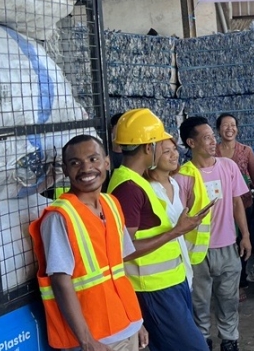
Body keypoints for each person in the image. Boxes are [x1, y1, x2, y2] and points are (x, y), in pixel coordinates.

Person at [29, 135, 148, 351]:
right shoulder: (60, 216)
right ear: (65, 170)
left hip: (126, 327)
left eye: (93, 159)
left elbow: (118, 271)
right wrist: (87, 340)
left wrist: (136, 322)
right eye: (75, 163)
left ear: (107, 162)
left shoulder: (111, 204)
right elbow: (60, 281)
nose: (86, 168)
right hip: (94, 340)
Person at [108, 108, 210, 351]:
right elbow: (122, 251)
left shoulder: (137, 181)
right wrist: (176, 231)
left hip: (169, 284)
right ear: (147, 147)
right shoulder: (129, 188)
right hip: (154, 290)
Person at [177, 116, 253, 351]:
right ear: (191, 142)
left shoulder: (228, 167)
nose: (213, 141)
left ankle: (229, 340)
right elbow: (179, 218)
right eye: (207, 137)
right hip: (197, 253)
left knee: (229, 300)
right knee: (199, 302)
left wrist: (246, 235)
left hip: (228, 246)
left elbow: (237, 202)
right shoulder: (183, 176)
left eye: (213, 136)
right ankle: (202, 340)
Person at [215, 113, 254, 302]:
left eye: (233, 125)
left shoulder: (246, 151)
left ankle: (240, 283)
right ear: (218, 129)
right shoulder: (212, 151)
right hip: (219, 208)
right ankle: (221, 282)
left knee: (242, 242)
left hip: (243, 205)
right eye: (225, 125)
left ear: (238, 129)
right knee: (222, 244)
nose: (229, 128)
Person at [146, 137, 198, 287]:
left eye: (175, 149)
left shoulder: (174, 183)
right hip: (159, 278)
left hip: (180, 269)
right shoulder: (148, 189)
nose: (174, 155)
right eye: (166, 152)